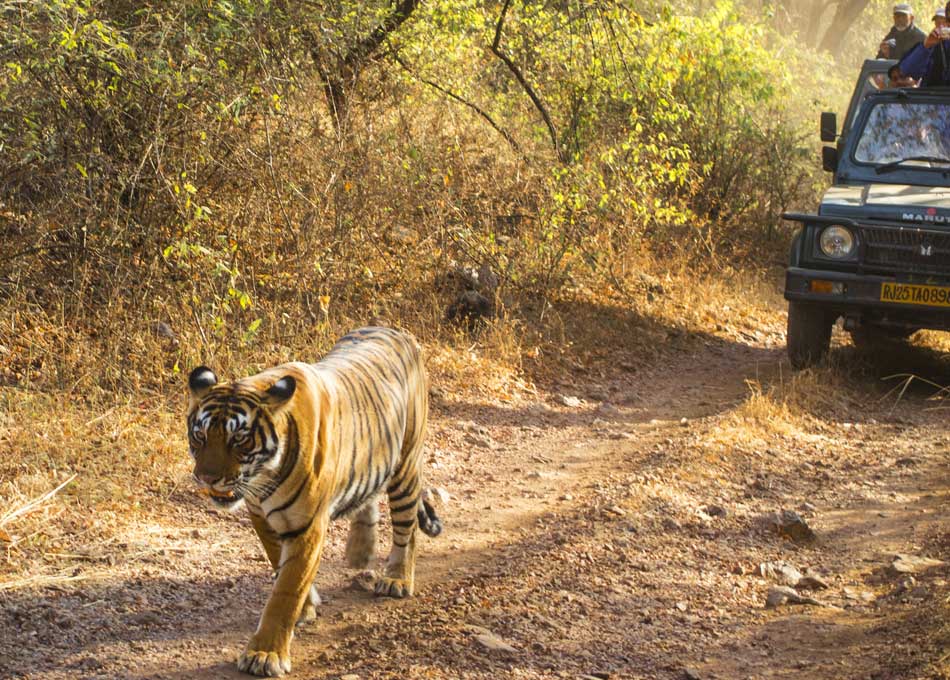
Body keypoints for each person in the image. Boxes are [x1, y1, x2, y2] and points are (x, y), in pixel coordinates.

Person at [897, 0, 950, 85]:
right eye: (938, 22)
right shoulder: (934, 45)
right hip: (935, 96)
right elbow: (907, 71)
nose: (941, 25)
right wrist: (926, 45)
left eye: (942, 21)